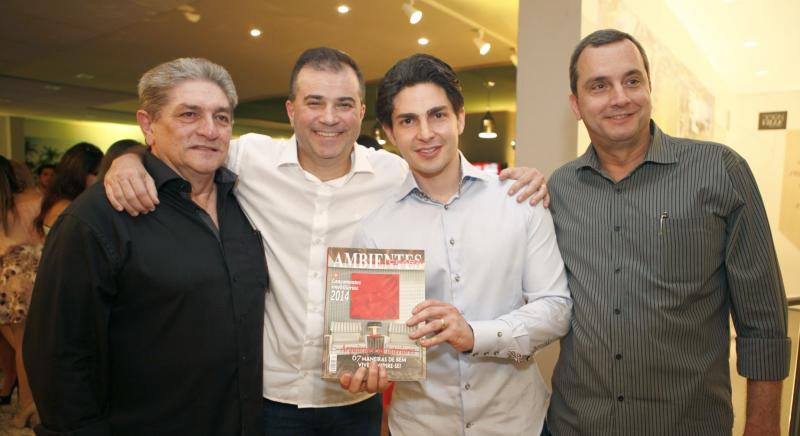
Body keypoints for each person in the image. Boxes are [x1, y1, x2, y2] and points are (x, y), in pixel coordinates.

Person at [103, 47, 548, 435]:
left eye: (344, 104)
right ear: (291, 110)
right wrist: (129, 159)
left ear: (361, 112)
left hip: (357, 398)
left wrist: (523, 179)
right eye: (314, 102)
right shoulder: (249, 159)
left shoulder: (395, 174)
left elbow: (449, 177)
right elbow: (187, 146)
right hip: (270, 396)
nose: (329, 118)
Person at [545, 29, 789, 436]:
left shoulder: (720, 171)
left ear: (649, 89)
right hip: (575, 424)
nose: (620, 97)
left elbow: (763, 320)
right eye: (599, 86)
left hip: (686, 425)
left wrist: (762, 426)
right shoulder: (559, 189)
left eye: (632, 80)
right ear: (576, 105)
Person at [23, 58, 267, 435]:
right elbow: (59, 355)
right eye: (189, 114)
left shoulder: (246, 202)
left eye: (221, 117)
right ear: (148, 124)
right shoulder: (98, 218)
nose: (209, 129)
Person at [338, 53, 572, 435]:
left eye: (437, 115)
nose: (425, 133)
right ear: (390, 133)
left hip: (517, 425)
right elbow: (372, 345)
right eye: (408, 121)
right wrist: (368, 368)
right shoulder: (374, 232)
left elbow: (556, 308)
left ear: (460, 117)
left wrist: (475, 334)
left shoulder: (519, 202)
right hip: (420, 426)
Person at [0, 156, 43, 428]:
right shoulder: (33, 201)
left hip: (5, 279)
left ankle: (25, 404)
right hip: (28, 279)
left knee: (21, 347)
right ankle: (28, 407)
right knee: (28, 349)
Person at [33, 142, 103, 235]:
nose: (101, 179)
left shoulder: (58, 200)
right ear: (79, 174)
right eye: (96, 174)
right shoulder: (71, 209)